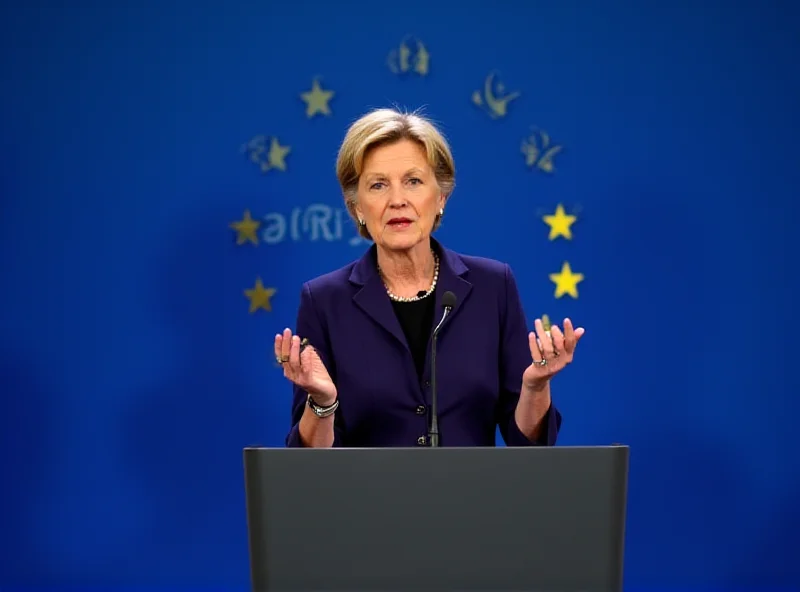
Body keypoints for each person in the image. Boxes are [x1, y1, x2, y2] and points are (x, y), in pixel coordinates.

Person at [274, 107, 584, 448]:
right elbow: (309, 463)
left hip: (472, 498)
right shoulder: (324, 301)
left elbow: (527, 442)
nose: (397, 200)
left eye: (413, 181)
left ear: (441, 197)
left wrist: (536, 387)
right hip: (366, 500)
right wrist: (322, 402)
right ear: (357, 206)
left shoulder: (493, 286)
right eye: (378, 185)